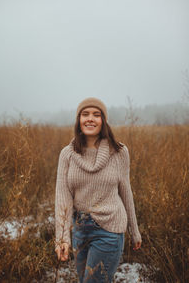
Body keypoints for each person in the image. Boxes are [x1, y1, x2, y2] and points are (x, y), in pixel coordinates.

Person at [55, 97, 142, 283]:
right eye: (85, 114)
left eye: (96, 114)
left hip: (109, 229)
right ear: (78, 119)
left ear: (103, 120)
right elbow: (63, 198)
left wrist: (134, 230)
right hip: (79, 230)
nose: (90, 119)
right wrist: (62, 239)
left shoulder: (119, 152)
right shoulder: (67, 154)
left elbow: (126, 192)